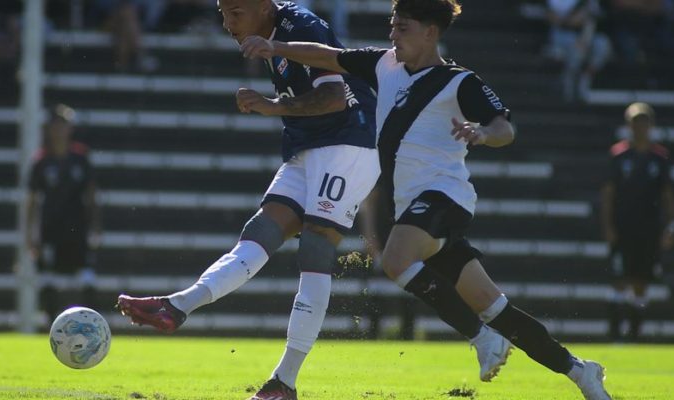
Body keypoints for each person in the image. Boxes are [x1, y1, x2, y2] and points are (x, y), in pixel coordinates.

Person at [240, 0, 612, 399]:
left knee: (396, 259)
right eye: (392, 26)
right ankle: (579, 371)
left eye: (403, 28)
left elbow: (505, 127)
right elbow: (328, 55)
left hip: (444, 197)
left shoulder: (459, 81)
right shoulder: (384, 65)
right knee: (493, 305)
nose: (393, 35)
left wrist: (483, 134)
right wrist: (276, 48)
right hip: (414, 208)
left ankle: (481, 339)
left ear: (430, 32)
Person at [117, 2, 388, 400]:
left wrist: (272, 106)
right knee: (259, 230)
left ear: (264, 6)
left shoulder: (300, 25)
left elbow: (333, 97)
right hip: (309, 145)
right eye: (223, 13)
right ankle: (177, 307)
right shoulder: (268, 34)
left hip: (350, 143)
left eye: (237, 12)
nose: (228, 24)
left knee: (315, 247)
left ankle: (285, 382)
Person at [600, 102, 674, 342]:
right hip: (623, 228)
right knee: (619, 279)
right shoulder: (619, 155)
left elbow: (667, 195)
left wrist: (671, 226)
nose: (640, 127)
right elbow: (608, 194)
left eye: (644, 122)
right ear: (628, 125)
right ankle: (614, 334)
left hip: (649, 229)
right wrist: (608, 226)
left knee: (642, 280)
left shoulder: (660, 158)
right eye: (635, 122)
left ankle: (634, 335)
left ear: (651, 125)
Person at [26, 104, 102, 324]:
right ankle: (52, 328)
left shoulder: (81, 158)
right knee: (48, 281)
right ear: (48, 129)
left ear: (70, 128)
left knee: (87, 279)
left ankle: (92, 326)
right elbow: (31, 201)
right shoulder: (41, 161)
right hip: (51, 230)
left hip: (78, 229)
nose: (59, 130)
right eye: (55, 125)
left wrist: (96, 226)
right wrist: (30, 236)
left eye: (63, 125)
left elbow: (92, 195)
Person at [545, 0, 612, 102]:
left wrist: (585, 35)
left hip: (586, 34)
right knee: (578, 51)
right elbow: (552, 17)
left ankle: (586, 78)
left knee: (603, 45)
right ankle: (568, 82)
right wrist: (571, 20)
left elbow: (592, 18)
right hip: (563, 34)